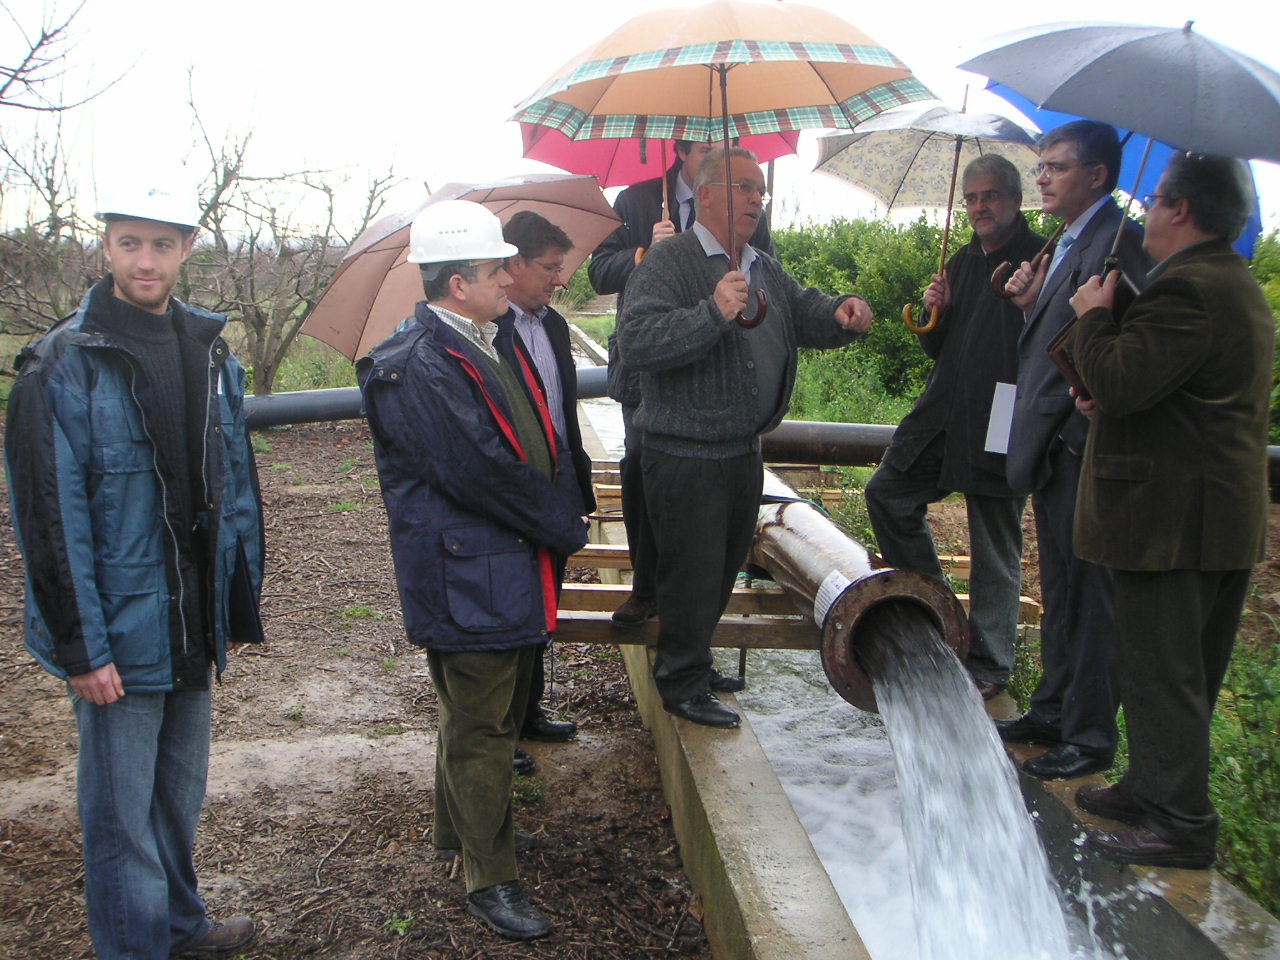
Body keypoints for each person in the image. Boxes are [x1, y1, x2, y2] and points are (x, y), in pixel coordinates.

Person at [4, 184, 265, 959]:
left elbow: (228, 486)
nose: (144, 260)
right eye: (129, 243)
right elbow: (49, 523)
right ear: (105, 247)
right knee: (120, 815)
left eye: (160, 244)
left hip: (188, 621)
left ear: (187, 247)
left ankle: (181, 927)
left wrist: (233, 603)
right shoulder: (60, 365)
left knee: (177, 797)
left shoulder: (208, 348)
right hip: (117, 628)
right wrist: (82, 647)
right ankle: (136, 946)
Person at [358, 200, 588, 940]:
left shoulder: (483, 338)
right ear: (460, 283)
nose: (511, 275)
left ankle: (460, 834)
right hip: (470, 569)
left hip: (498, 560)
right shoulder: (416, 364)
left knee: (473, 711)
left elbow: (532, 439)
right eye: (498, 268)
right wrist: (559, 522)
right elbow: (477, 471)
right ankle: (492, 880)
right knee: (483, 726)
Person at [616, 146, 872, 729]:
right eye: (743, 188)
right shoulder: (668, 262)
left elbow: (804, 312)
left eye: (760, 190)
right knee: (690, 571)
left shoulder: (761, 264)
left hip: (740, 450)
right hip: (684, 454)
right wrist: (711, 313)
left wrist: (842, 314)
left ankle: (696, 664)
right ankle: (679, 681)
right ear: (705, 196)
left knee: (722, 566)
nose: (756, 199)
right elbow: (638, 344)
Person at [1065, 153, 1271, 868]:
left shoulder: (1188, 290)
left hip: (1173, 518)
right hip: (1212, 515)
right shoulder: (1229, 284)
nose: (1146, 211)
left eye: (1154, 200)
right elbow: (1167, 393)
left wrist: (1092, 321)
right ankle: (1154, 785)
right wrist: (1106, 383)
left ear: (1181, 210)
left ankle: (1181, 823)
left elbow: (1122, 382)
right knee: (1180, 665)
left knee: (1165, 669)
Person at [998, 121, 1153, 781]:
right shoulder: (1067, 240)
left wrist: (1076, 423)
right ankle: (1052, 710)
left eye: (1056, 167)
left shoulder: (1122, 242)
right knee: (1059, 587)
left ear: (1097, 175)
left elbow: (1121, 337)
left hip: (1080, 443)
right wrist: (1033, 303)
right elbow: (1059, 330)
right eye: (1041, 167)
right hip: (1052, 444)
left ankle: (1089, 737)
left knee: (1091, 595)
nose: (1042, 178)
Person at [865, 155, 1044, 701]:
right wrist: (932, 314)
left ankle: (990, 662)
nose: (979, 207)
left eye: (990, 196)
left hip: (1002, 412)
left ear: (1014, 199)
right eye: (971, 198)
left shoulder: (1040, 259)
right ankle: (939, 612)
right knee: (888, 493)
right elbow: (941, 347)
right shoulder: (962, 264)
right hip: (944, 408)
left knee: (994, 537)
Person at [589, 140, 774, 629]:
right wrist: (645, 251)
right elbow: (598, 272)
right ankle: (645, 588)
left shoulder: (747, 210)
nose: (718, 151)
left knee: (701, 509)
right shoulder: (636, 200)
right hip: (647, 372)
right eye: (708, 148)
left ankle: (688, 615)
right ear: (682, 151)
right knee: (642, 473)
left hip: (716, 371)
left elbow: (765, 274)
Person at [494, 210, 597, 748]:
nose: (560, 279)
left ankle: (529, 711)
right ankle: (501, 731)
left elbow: (566, 412)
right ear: (513, 264)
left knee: (547, 598)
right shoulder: (488, 331)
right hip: (513, 486)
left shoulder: (554, 325)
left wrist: (577, 486)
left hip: (559, 478)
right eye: (551, 268)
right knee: (511, 603)